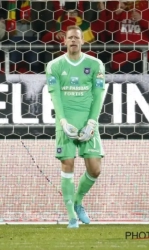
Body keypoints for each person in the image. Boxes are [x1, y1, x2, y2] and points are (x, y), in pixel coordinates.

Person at [46, 25, 105, 228]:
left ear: (82, 41)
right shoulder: (54, 66)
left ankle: (78, 200)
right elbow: (55, 96)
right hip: (66, 123)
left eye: (76, 38)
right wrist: (62, 121)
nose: (73, 41)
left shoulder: (95, 64)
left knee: (95, 169)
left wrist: (92, 121)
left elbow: (98, 96)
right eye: (69, 38)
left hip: (88, 121)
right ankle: (71, 215)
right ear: (64, 41)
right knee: (67, 164)